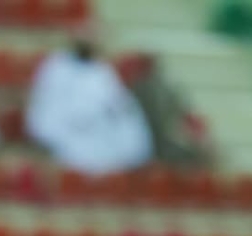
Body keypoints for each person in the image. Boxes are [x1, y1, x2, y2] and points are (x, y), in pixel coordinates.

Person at [24, 32, 154, 176]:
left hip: (98, 128)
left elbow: (114, 98)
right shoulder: (57, 66)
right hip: (64, 127)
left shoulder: (101, 69)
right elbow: (48, 100)